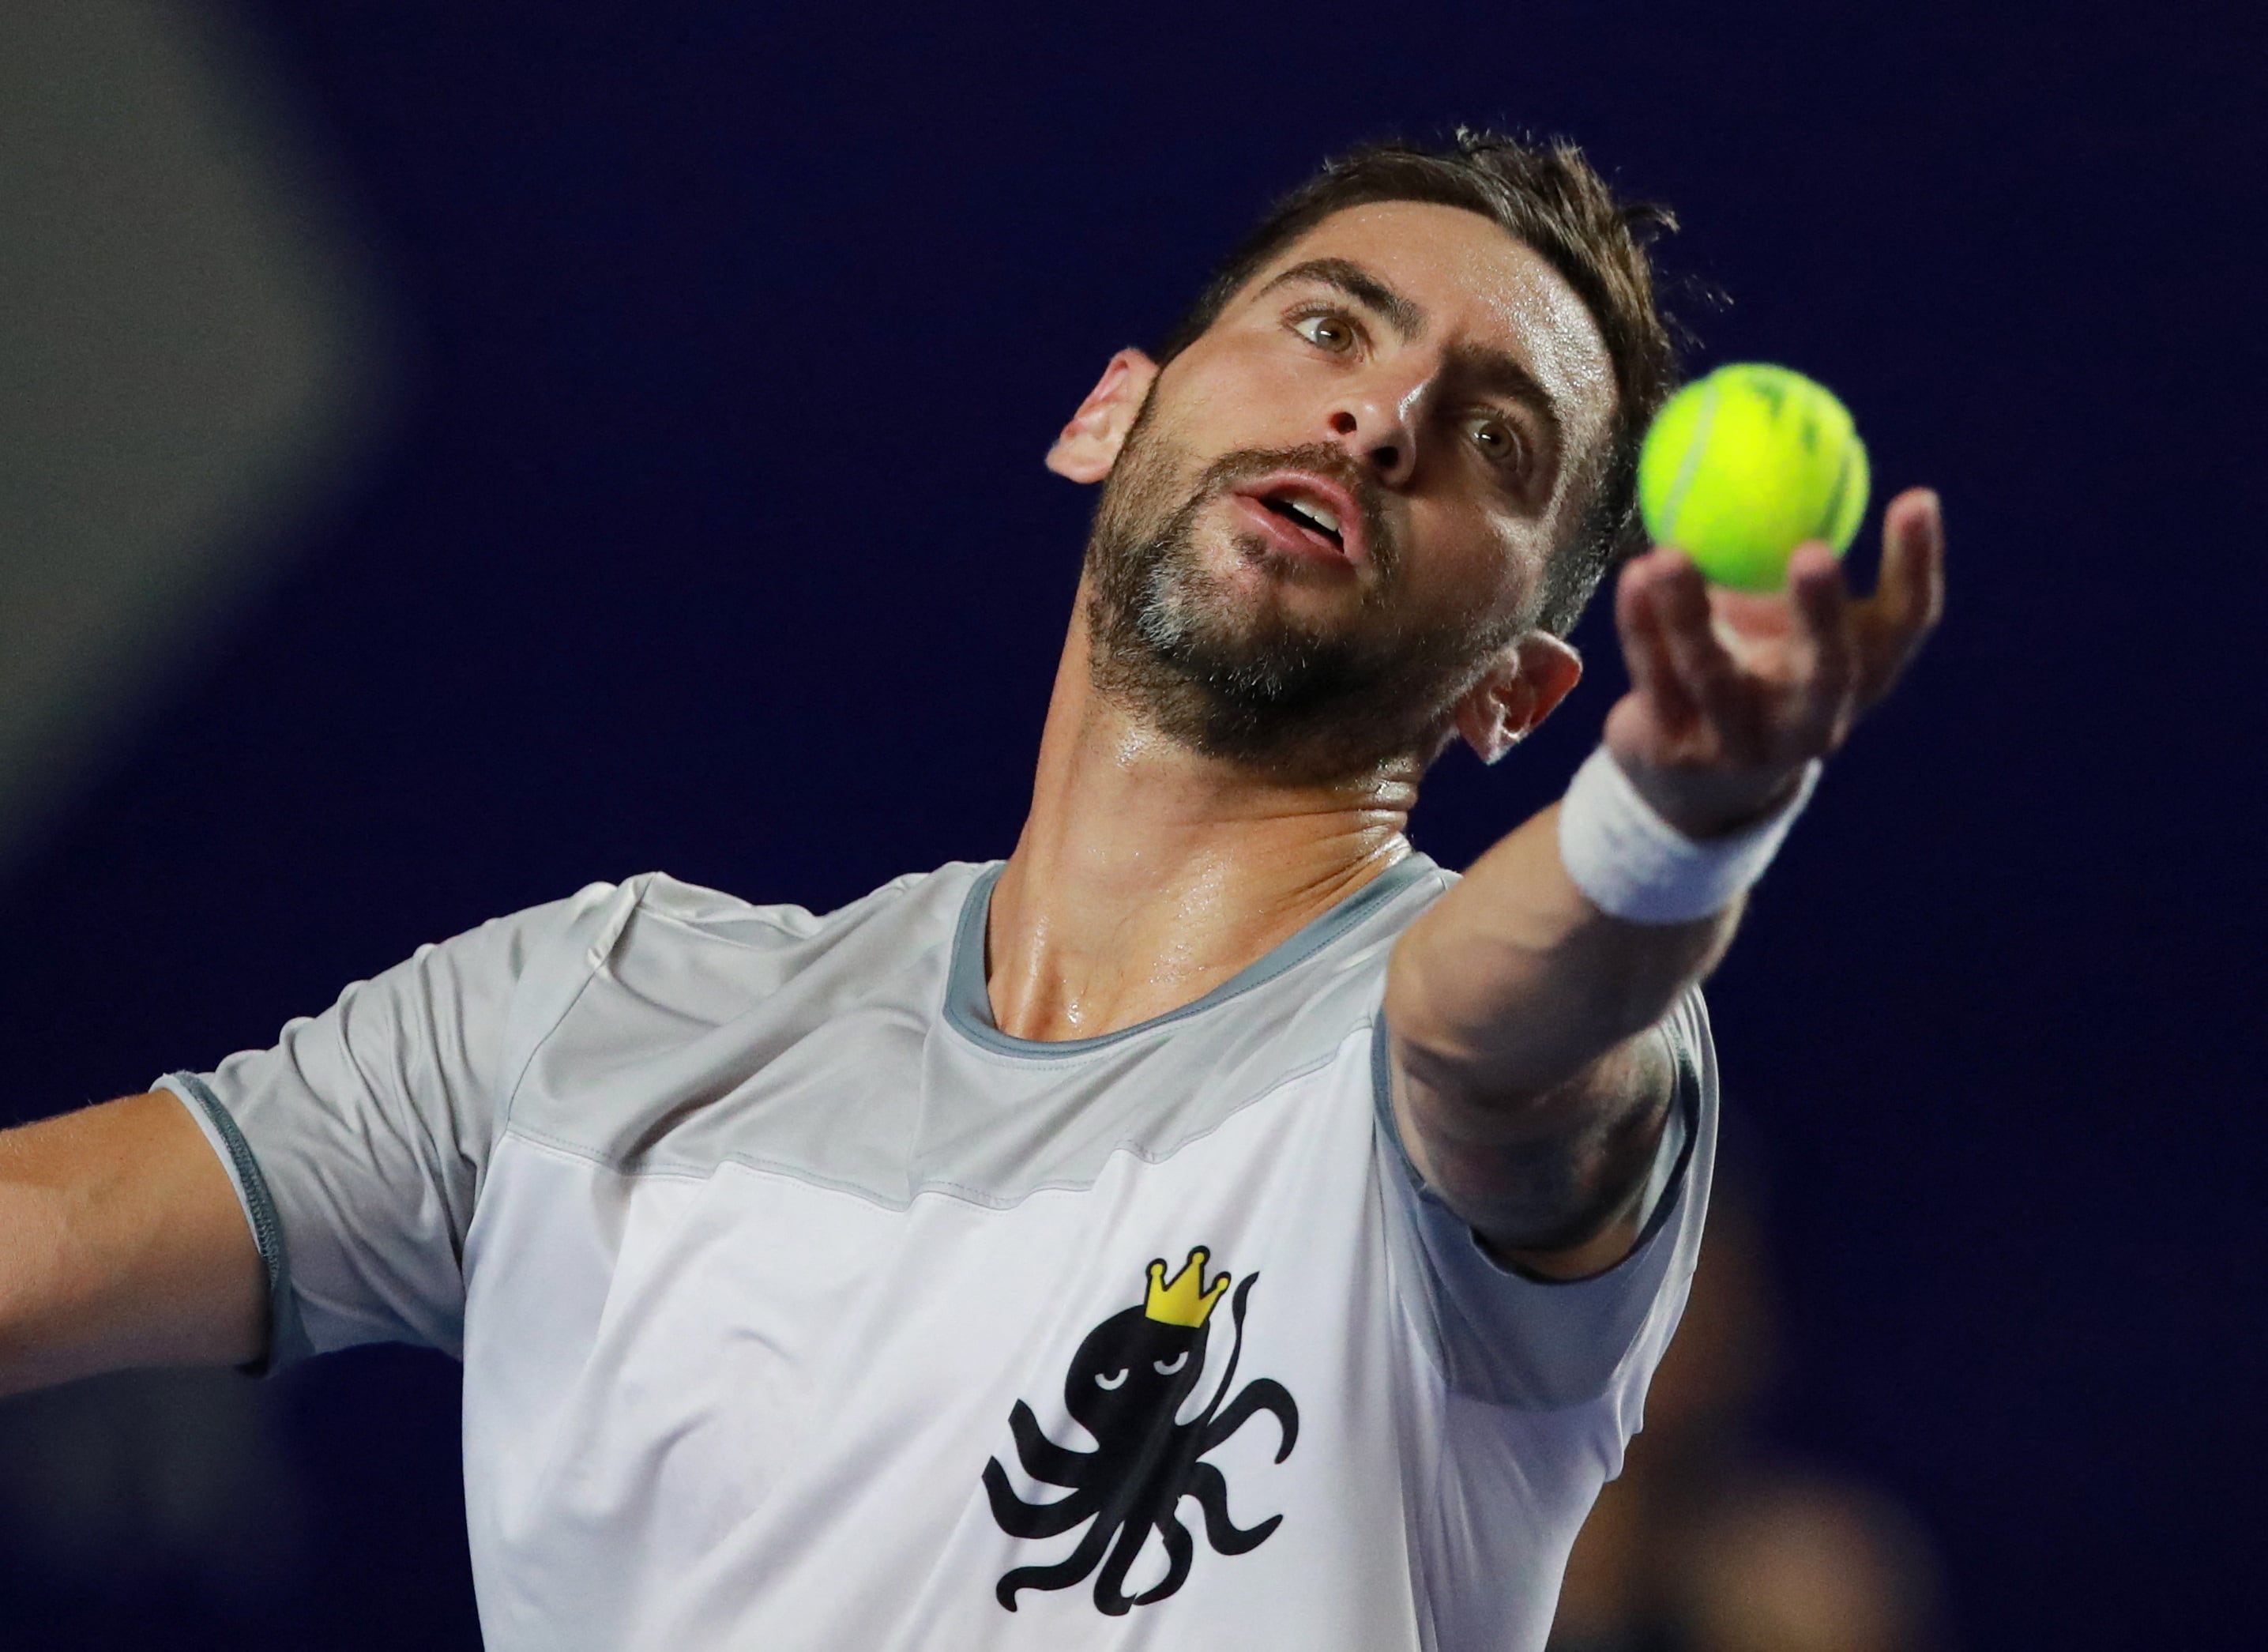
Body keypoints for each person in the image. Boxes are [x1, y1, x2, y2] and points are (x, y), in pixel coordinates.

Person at [0, 130, 1943, 1649]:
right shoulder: (583, 1022)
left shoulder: (1460, 1079)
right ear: (1113, 413)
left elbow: (1497, 1031)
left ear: (1516, 695)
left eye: (1490, 437)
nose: (1380, 414)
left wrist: (1677, 821)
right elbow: (43, 1241)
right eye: (1329, 325)